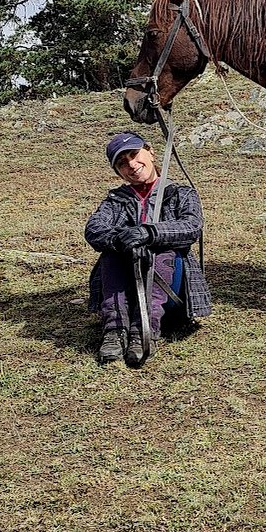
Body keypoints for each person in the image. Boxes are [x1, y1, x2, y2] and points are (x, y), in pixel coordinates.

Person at [85, 132, 211, 366]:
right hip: (127, 285)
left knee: (162, 252)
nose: (131, 165)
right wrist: (121, 240)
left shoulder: (181, 193)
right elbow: (94, 230)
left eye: (134, 155)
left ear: (150, 152)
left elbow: (192, 226)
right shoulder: (115, 200)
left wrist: (149, 233)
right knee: (111, 255)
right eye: (122, 163)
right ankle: (115, 331)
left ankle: (144, 331)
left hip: (172, 288)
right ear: (118, 172)